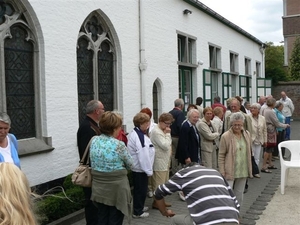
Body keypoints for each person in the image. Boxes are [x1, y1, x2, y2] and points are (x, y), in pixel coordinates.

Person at [153, 163, 240, 225]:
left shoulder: (184, 173)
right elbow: (235, 202)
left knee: (174, 220)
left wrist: (164, 212)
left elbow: (158, 192)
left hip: (207, 221)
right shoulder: (216, 172)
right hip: (232, 219)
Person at [90, 111, 133, 225]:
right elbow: (131, 164)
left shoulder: (94, 140)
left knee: (102, 216)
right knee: (115, 218)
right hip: (116, 188)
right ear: (114, 128)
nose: (120, 129)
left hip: (99, 186)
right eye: (119, 126)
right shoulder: (119, 145)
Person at [77, 100, 104, 225]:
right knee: (92, 203)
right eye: (102, 109)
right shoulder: (87, 128)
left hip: (94, 170)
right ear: (97, 111)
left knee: (95, 203)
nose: (104, 112)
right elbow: (87, 152)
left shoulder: (93, 125)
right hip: (91, 171)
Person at [219, 112, 252, 208]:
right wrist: (222, 171)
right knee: (228, 195)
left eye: (239, 125)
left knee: (239, 195)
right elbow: (221, 155)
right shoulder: (225, 136)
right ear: (231, 124)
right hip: (230, 170)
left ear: (243, 124)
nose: (237, 127)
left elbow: (249, 151)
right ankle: (227, 215)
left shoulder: (247, 134)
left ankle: (236, 214)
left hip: (243, 169)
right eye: (235, 125)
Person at [127, 112, 155, 218]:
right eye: (146, 122)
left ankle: (140, 206)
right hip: (140, 169)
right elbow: (143, 155)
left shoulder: (137, 133)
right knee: (140, 190)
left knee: (140, 189)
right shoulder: (139, 136)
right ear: (140, 124)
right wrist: (148, 170)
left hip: (139, 167)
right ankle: (137, 212)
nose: (148, 124)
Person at [176, 109, 201, 201]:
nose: (196, 119)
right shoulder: (186, 126)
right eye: (194, 117)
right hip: (188, 156)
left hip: (194, 154)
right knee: (186, 175)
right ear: (189, 117)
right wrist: (187, 157)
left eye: (197, 117)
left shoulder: (193, 125)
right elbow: (183, 143)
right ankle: (182, 191)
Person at [150, 113, 173, 209]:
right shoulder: (156, 132)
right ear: (160, 121)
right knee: (158, 183)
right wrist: (168, 134)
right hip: (159, 162)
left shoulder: (163, 130)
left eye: (170, 124)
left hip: (165, 160)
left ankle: (161, 201)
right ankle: (156, 203)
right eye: (167, 123)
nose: (168, 126)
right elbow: (165, 145)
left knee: (163, 183)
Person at [261, 98, 289, 173]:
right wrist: (285, 125)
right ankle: (264, 166)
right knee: (268, 148)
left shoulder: (265, 110)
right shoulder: (271, 111)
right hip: (270, 130)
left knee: (270, 148)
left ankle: (270, 163)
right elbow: (277, 123)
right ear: (273, 104)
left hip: (268, 129)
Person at [140, 107, 156, 198]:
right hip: (145, 152)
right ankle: (148, 189)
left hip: (152, 151)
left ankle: (151, 188)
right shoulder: (139, 128)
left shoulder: (155, 126)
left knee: (152, 171)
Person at [249, 103, 267, 178]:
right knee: (251, 156)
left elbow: (265, 130)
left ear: (258, 110)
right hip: (251, 139)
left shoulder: (262, 118)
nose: (252, 109)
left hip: (259, 140)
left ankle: (255, 171)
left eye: (254, 108)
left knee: (257, 157)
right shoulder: (248, 117)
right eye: (252, 108)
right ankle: (250, 171)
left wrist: (265, 140)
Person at [169, 99, 186, 175]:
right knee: (178, 154)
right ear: (181, 106)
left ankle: (173, 169)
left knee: (172, 154)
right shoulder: (180, 114)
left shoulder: (170, 112)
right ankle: (178, 171)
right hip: (177, 137)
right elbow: (180, 125)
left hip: (170, 136)